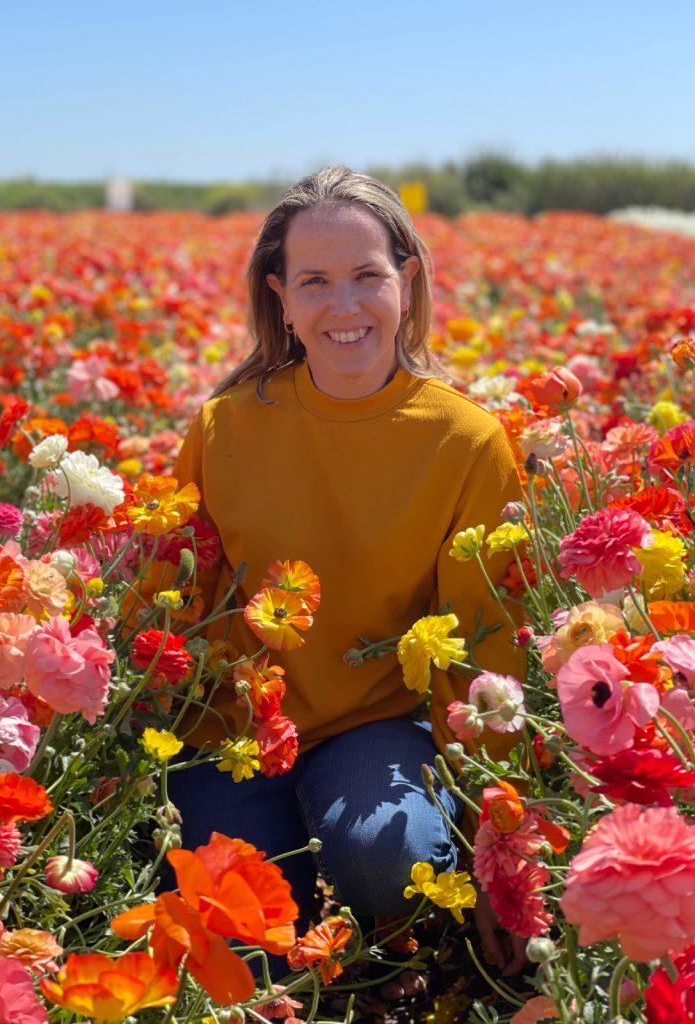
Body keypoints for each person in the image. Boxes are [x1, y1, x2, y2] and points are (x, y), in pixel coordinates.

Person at [161, 167, 526, 973]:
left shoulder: (465, 442)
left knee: (384, 861)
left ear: (408, 280)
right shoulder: (227, 426)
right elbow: (179, 600)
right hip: (238, 734)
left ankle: (382, 931)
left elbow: (485, 647)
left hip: (375, 729)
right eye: (315, 282)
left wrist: (504, 840)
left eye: (367, 276)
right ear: (281, 297)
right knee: (240, 946)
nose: (345, 306)